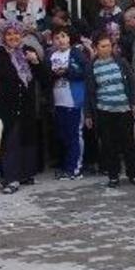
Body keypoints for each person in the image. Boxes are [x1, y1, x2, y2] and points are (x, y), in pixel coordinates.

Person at [0, 21, 45, 194]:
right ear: (4, 36)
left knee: (26, 139)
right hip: (6, 105)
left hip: (26, 104)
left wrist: (36, 62)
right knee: (10, 140)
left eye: (16, 34)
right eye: (9, 34)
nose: (13, 37)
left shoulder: (28, 51)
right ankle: (11, 179)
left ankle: (25, 174)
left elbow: (45, 78)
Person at [84, 32, 135, 188]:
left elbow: (132, 83)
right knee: (109, 145)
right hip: (104, 110)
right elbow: (90, 92)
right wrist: (88, 114)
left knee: (128, 143)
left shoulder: (121, 62)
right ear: (96, 48)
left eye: (109, 45)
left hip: (123, 109)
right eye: (103, 46)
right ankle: (113, 176)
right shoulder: (92, 66)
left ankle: (133, 174)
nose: (107, 49)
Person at [48, 26, 89, 180]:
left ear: (69, 38)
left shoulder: (76, 53)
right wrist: (53, 74)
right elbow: (47, 75)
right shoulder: (51, 55)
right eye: (57, 38)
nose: (60, 40)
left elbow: (84, 71)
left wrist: (66, 72)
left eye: (63, 36)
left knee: (74, 135)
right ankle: (67, 165)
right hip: (59, 101)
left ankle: (75, 168)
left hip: (74, 100)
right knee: (64, 135)